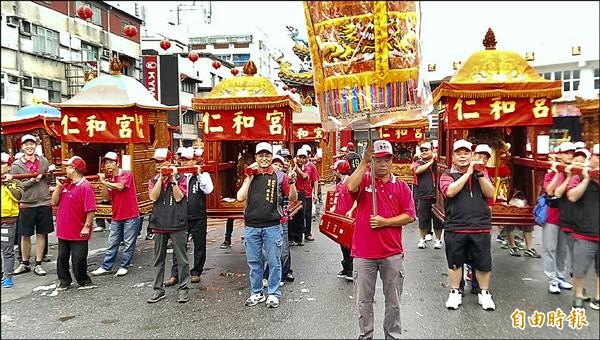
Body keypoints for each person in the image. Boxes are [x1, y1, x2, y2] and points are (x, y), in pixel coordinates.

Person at [347, 140, 416, 339]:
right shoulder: (364, 181)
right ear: (372, 161)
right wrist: (363, 162)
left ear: (391, 161)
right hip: (363, 253)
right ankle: (365, 335)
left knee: (393, 301)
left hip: (391, 253)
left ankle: (392, 335)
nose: (383, 164)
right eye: (378, 160)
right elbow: (351, 187)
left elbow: (409, 215)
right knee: (364, 301)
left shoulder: (401, 186)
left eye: (387, 159)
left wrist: (385, 222)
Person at [236, 142, 297, 308]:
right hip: (251, 226)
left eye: (267, 155)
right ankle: (256, 293)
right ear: (256, 157)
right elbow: (240, 197)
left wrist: (291, 181)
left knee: (274, 261)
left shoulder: (280, 176)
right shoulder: (250, 175)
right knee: (254, 262)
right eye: (260, 155)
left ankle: (273, 293)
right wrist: (249, 176)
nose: (264, 158)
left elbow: (292, 197)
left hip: (272, 226)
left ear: (271, 157)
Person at [440, 139, 496, 311]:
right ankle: (455, 291)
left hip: (480, 225)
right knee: (455, 262)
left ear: (472, 155)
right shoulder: (447, 175)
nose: (463, 156)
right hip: (456, 225)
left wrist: (478, 175)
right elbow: (449, 191)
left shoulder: (482, 173)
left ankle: (484, 293)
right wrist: (467, 174)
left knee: (483, 262)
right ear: (453, 157)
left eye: (466, 153)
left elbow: (491, 194)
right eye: (459, 153)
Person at [146, 148, 190, 304]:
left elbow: (179, 198)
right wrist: (160, 179)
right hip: (159, 224)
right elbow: (153, 197)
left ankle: (183, 288)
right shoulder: (153, 180)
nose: (158, 165)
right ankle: (158, 290)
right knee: (158, 259)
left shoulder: (181, 178)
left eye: (161, 162)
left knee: (182, 259)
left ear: (170, 162)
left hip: (177, 224)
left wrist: (172, 180)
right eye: (156, 162)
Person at [164, 147, 213, 287]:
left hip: (197, 215)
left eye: (187, 160)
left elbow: (209, 190)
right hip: (180, 216)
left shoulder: (202, 174)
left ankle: (196, 271)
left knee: (199, 245)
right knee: (178, 246)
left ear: (193, 160)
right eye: (182, 160)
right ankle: (176, 274)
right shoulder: (177, 176)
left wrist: (198, 175)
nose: (184, 163)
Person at [91, 152, 141, 277]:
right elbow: (105, 197)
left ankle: (124, 265)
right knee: (112, 242)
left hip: (130, 214)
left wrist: (104, 181)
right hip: (117, 215)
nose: (108, 165)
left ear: (117, 163)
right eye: (106, 163)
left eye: (110, 162)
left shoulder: (126, 173)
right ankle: (106, 266)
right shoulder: (109, 179)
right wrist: (103, 182)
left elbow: (120, 187)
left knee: (129, 243)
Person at [51, 156, 97, 291]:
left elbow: (91, 209)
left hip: (78, 228)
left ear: (75, 169)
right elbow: (54, 202)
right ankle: (64, 280)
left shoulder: (86, 186)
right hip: (64, 228)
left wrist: (86, 226)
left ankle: (83, 280)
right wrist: (58, 188)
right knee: (62, 257)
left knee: (79, 258)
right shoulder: (66, 183)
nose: (66, 169)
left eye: (69, 167)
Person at [10, 134, 54, 276]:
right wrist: (32, 181)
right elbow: (16, 186)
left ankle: (39, 263)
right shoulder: (16, 165)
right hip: (26, 203)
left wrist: (50, 174)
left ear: (36, 146)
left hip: (44, 201)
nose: (29, 147)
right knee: (25, 234)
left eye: (32, 144)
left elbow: (48, 179)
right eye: (26, 144)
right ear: (22, 147)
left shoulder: (43, 161)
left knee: (42, 233)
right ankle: (24, 263)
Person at [566, 148, 599, 310]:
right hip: (584, 231)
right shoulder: (578, 177)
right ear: (590, 158)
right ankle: (578, 295)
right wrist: (586, 180)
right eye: (596, 157)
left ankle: (598, 297)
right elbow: (572, 196)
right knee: (579, 267)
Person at [544, 142, 578, 294]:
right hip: (552, 215)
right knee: (550, 248)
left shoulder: (577, 172)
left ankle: (561, 277)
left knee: (562, 250)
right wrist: (561, 174)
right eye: (566, 152)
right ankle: (552, 279)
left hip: (567, 217)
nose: (570, 155)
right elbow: (550, 191)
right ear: (559, 155)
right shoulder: (552, 172)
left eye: (572, 152)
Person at [412, 142, 441, 249]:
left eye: (426, 150)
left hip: (437, 196)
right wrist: (431, 162)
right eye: (422, 150)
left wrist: (434, 161)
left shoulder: (438, 163)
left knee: (438, 220)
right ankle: (422, 239)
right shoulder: (418, 163)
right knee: (423, 220)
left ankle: (438, 240)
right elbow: (418, 171)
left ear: (432, 151)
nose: (424, 152)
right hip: (423, 195)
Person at [1, 152, 24, 288]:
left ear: (9, 166)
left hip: (8, 220)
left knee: (7, 250)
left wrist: (8, 183)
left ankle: (8, 276)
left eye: (3, 164)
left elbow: (18, 197)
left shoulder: (15, 181)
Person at [330, 159, 354, 281]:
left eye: (336, 170)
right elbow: (336, 198)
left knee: (349, 244)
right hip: (340, 217)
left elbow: (357, 200)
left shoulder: (351, 183)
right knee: (342, 243)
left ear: (339, 171)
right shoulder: (339, 184)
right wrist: (333, 208)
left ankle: (350, 268)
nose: (335, 173)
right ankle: (346, 266)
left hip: (349, 218)